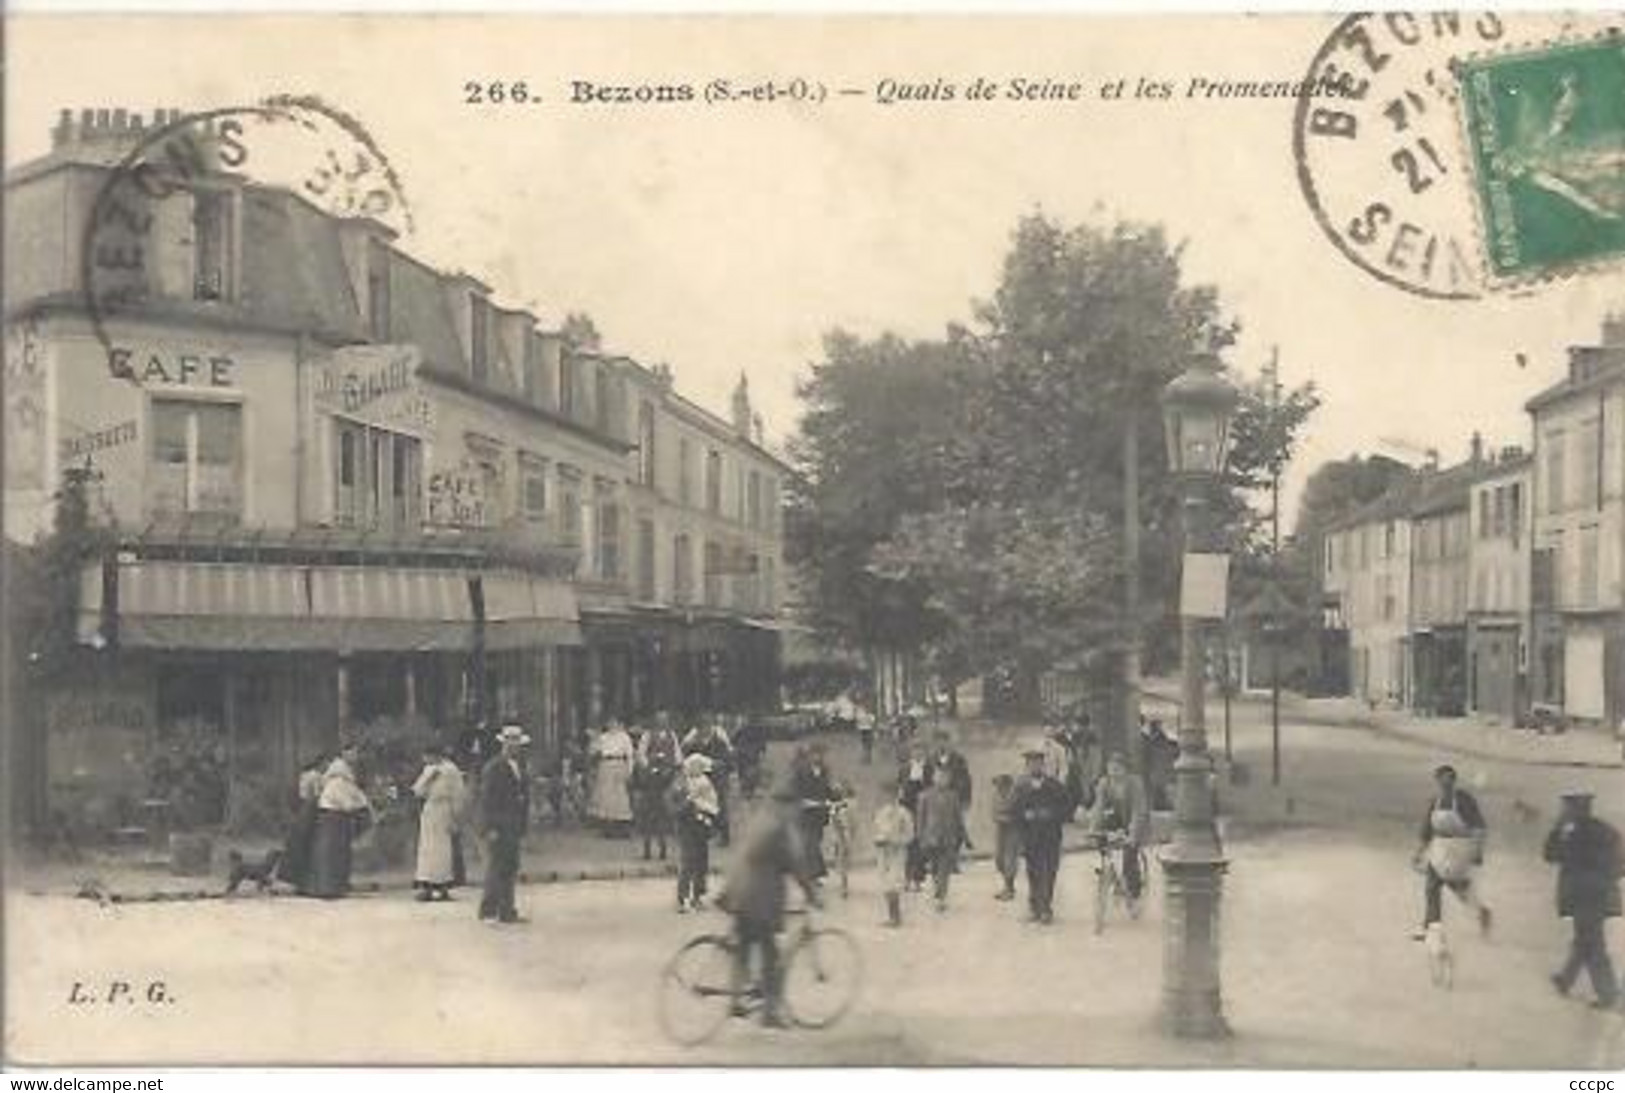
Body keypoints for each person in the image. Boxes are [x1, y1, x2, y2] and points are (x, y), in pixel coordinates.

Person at [719, 777, 821, 1028]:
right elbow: (795, 865)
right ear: (787, 806)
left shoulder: (759, 821)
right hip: (760, 897)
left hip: (740, 890)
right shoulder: (779, 828)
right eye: (795, 807)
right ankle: (770, 1013)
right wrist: (812, 894)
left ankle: (735, 1000)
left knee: (744, 947)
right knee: (770, 954)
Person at [1543, 791, 1621, 1009]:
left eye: (1566, 807)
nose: (1563, 811)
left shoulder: (1573, 834)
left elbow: (1549, 854)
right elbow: (1621, 863)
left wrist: (1557, 827)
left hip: (1582, 896)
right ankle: (1566, 980)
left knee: (1592, 943)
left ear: (1574, 809)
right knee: (1585, 938)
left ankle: (1608, 994)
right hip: (1601, 894)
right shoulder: (1606, 831)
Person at [1411, 763, 1493, 940]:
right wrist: (1419, 853)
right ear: (1437, 781)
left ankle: (1481, 911)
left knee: (1458, 887)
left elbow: (1479, 826)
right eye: (1442, 780)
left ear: (1454, 781)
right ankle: (1432, 928)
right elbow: (1427, 831)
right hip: (1440, 846)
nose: (1445, 784)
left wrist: (1478, 851)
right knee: (1432, 886)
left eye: (1449, 780)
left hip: (1460, 847)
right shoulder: (1435, 801)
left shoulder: (1464, 800)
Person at [478, 725, 531, 925]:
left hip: (513, 823)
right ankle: (488, 910)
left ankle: (507, 910)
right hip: (499, 823)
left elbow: (524, 797)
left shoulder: (520, 765)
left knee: (510, 866)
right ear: (503, 743)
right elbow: (487, 799)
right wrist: (489, 827)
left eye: (517, 742)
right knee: (496, 866)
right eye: (510, 742)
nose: (514, 746)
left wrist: (522, 825)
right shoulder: (494, 767)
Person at [1011, 746, 1069, 924]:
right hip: (1030, 837)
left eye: (1038, 763)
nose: (1034, 767)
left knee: (1049, 871)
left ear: (1043, 765)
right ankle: (1034, 907)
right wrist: (1024, 815)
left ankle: (1046, 908)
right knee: (1033, 871)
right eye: (1031, 764)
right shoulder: (1021, 787)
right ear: (1027, 767)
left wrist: (1051, 814)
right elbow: (1014, 810)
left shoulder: (1054, 785)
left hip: (1051, 835)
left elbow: (1066, 807)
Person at [308, 743, 374, 900]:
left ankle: (337, 885)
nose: (355, 756)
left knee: (340, 852)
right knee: (331, 853)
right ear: (345, 754)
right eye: (352, 753)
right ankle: (328, 887)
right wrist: (354, 806)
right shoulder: (338, 774)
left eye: (356, 753)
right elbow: (340, 796)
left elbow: (354, 793)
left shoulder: (347, 774)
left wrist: (362, 805)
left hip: (340, 816)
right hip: (332, 815)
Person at [1088, 752, 1151, 902]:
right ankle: (1110, 873)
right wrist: (1093, 829)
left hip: (1136, 822)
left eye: (1118, 768)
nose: (1114, 771)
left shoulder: (1135, 783)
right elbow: (1098, 807)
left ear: (1125, 769)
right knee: (1102, 841)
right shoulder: (1104, 783)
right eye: (1111, 768)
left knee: (1130, 854)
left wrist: (1132, 834)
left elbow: (1138, 811)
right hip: (1114, 819)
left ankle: (1133, 889)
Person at [410, 743, 467, 902]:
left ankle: (443, 887)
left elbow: (458, 793)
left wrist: (456, 815)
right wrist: (429, 779)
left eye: (428, 756)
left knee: (443, 849)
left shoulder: (450, 770)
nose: (426, 760)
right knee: (427, 848)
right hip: (430, 809)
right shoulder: (429, 770)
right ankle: (426, 886)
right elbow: (418, 791)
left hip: (444, 809)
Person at [667, 753, 721, 913]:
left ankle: (698, 896)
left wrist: (709, 815)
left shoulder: (706, 783)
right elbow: (673, 806)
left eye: (700, 767)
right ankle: (683, 898)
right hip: (686, 826)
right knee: (688, 861)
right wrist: (689, 802)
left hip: (702, 826)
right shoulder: (680, 783)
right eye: (694, 766)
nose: (697, 769)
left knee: (702, 862)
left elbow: (714, 803)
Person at [917, 760, 969, 912]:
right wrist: (920, 837)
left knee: (944, 869)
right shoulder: (924, 796)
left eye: (946, 777)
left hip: (948, 839)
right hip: (931, 838)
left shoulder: (953, 797)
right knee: (934, 868)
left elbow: (959, 819)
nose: (942, 780)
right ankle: (937, 890)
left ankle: (941, 897)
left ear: (949, 779)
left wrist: (965, 837)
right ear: (933, 777)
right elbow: (921, 819)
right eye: (939, 776)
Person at [275, 752, 328, 895]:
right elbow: (317, 795)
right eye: (326, 764)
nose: (327, 767)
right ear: (321, 763)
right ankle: (303, 880)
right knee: (306, 844)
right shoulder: (316, 776)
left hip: (302, 809)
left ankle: (292, 880)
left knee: (298, 843)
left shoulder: (305, 774)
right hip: (310, 809)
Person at [633, 716, 682, 861]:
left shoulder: (672, 736)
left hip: (666, 779)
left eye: (665, 720)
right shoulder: (648, 735)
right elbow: (641, 754)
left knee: (664, 814)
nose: (662, 723)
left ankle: (663, 850)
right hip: (651, 779)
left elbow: (677, 754)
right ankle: (647, 849)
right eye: (660, 720)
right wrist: (648, 767)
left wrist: (673, 768)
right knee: (648, 813)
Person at [683, 718, 736, 847]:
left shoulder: (719, 743)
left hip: (718, 779)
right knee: (702, 807)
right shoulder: (694, 744)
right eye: (701, 729)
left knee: (721, 807)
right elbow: (686, 757)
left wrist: (717, 765)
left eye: (706, 728)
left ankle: (725, 836)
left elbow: (728, 762)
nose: (704, 731)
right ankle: (705, 834)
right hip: (703, 781)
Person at [791, 742, 836, 880]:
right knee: (810, 842)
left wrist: (834, 798)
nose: (818, 757)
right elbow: (795, 790)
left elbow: (827, 789)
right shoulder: (801, 771)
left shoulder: (825, 770)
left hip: (820, 812)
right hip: (805, 811)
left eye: (821, 755)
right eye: (815, 754)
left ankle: (814, 872)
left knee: (815, 841)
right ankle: (817, 872)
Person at [873, 779, 915, 927]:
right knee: (885, 884)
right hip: (883, 853)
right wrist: (878, 840)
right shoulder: (881, 813)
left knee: (894, 883)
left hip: (897, 853)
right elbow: (877, 831)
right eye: (886, 794)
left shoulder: (904, 813)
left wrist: (896, 841)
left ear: (898, 795)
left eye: (892, 794)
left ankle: (896, 917)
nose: (889, 797)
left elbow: (910, 835)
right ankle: (891, 915)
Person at [588, 720, 636, 836]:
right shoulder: (603, 737)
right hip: (605, 764)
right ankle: (607, 826)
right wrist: (594, 739)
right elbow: (593, 751)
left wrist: (630, 771)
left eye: (615, 722)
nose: (612, 725)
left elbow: (630, 754)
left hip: (619, 763)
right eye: (610, 722)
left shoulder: (624, 737)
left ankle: (621, 826)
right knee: (605, 795)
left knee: (619, 794)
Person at [898, 739, 932, 891]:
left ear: (924, 752)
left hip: (924, 810)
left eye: (920, 750)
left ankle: (918, 880)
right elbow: (900, 788)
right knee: (908, 844)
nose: (917, 753)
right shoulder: (905, 768)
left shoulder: (929, 768)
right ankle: (906, 879)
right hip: (908, 809)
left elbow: (932, 789)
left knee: (920, 846)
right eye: (914, 750)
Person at [991, 773, 1021, 902]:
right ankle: (1008, 885)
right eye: (997, 785)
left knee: (1010, 859)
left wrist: (1003, 816)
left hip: (1013, 830)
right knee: (999, 859)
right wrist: (1001, 816)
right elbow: (993, 812)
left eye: (1001, 785)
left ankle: (1009, 888)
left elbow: (1016, 813)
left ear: (1008, 785)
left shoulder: (1015, 797)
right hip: (1000, 829)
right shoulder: (995, 796)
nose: (998, 788)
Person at [1142, 719, 1178, 811]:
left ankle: (1160, 804)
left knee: (1159, 786)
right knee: (1158, 786)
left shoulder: (1155, 740)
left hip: (1159, 768)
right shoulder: (1152, 740)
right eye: (1157, 726)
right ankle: (1160, 804)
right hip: (1157, 768)